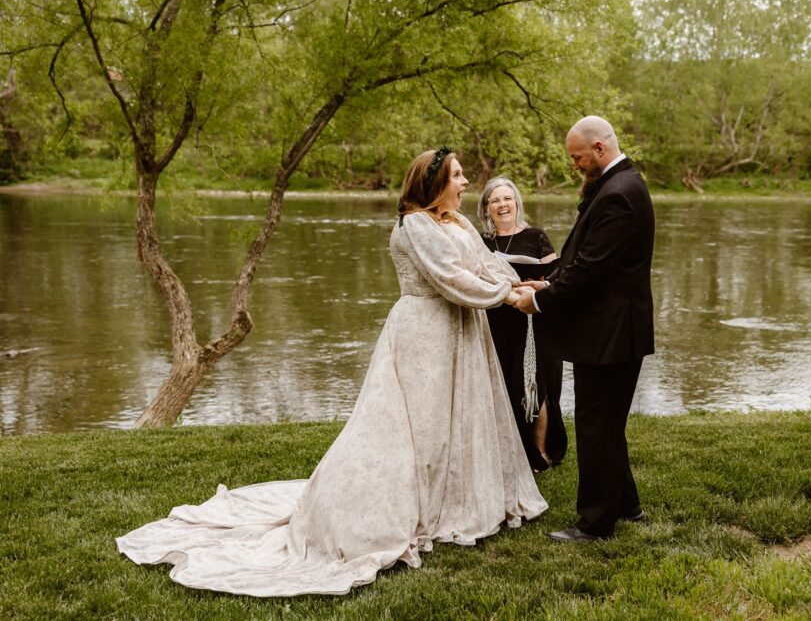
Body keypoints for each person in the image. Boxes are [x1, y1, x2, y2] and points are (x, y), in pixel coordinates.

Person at [116, 148, 547, 597]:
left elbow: (483, 263)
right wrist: (505, 297)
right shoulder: (415, 225)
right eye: (457, 176)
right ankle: (416, 505)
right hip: (425, 334)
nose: (464, 183)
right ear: (434, 183)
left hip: (460, 330)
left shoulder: (453, 221)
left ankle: (457, 499)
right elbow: (451, 278)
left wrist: (516, 283)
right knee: (420, 424)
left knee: (455, 419)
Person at [513, 116, 655, 542]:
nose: (574, 165)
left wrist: (539, 301)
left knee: (596, 427)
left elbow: (591, 271)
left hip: (611, 334)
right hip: (614, 330)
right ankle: (627, 507)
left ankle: (595, 524)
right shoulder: (620, 185)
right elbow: (587, 261)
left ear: (598, 148)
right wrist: (548, 284)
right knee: (607, 425)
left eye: (577, 157)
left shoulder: (618, 194)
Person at [477, 176, 567, 474]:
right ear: (486, 208)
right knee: (503, 385)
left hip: (532, 322)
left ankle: (539, 453)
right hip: (495, 322)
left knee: (533, 385)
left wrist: (538, 284)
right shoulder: (481, 242)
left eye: (507, 198)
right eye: (495, 200)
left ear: (516, 203)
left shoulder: (536, 236)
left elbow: (557, 275)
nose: (502, 205)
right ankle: (507, 450)